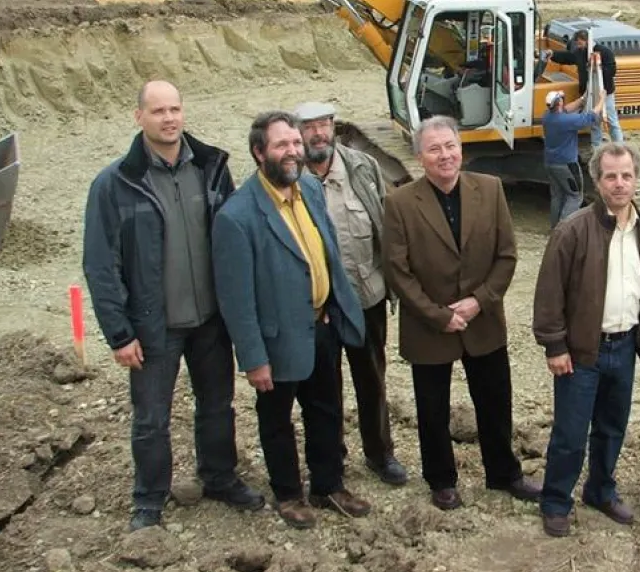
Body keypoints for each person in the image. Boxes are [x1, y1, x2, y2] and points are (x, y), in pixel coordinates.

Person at [82, 80, 262, 532]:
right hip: (152, 327)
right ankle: (149, 499)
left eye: (175, 109)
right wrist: (119, 334)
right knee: (150, 420)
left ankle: (219, 477)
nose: (169, 118)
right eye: (158, 110)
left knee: (218, 406)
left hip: (210, 321)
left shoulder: (210, 167)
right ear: (138, 116)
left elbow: (235, 239)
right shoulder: (115, 183)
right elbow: (101, 264)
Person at [212, 111, 371, 530]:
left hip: (321, 328)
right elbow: (236, 298)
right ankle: (288, 493)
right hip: (276, 341)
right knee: (277, 421)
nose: (293, 152)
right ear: (258, 152)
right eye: (282, 145)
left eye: (296, 144)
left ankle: (328, 485)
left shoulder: (310, 192)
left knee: (326, 411)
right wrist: (253, 358)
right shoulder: (237, 216)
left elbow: (327, 257)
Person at [382, 115, 541, 511]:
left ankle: (504, 473)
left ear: (461, 149)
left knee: (495, 401)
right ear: (420, 156)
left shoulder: (490, 190)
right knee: (432, 408)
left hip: (482, 319)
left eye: (450, 146)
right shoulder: (399, 203)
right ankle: (441, 480)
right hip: (429, 326)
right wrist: (438, 315)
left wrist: (478, 301)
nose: (445, 155)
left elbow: (506, 256)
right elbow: (397, 271)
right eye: (434, 149)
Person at [533, 142, 640, 538]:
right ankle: (556, 501)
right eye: (611, 176)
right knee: (571, 434)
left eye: (626, 176)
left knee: (611, 428)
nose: (619, 184)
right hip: (581, 352)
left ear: (636, 179)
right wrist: (555, 346)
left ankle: (600, 490)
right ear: (596, 180)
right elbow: (549, 293)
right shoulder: (572, 230)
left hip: (625, 347)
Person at [293, 101, 407, 488]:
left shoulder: (363, 167)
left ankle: (380, 454)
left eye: (324, 124)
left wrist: (394, 284)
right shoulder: (288, 178)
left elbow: (385, 224)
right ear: (299, 133)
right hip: (318, 308)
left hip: (367, 297)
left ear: (333, 127)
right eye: (309, 126)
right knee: (323, 387)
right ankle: (332, 458)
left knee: (372, 379)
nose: (318, 132)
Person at [541, 89, 604, 228]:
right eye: (562, 99)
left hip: (550, 163)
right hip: (567, 165)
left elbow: (567, 109)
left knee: (557, 195)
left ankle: (555, 228)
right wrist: (601, 99)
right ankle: (564, 230)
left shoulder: (547, 117)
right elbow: (591, 117)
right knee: (575, 196)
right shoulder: (566, 120)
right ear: (559, 103)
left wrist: (582, 99)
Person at [549, 28, 623, 146]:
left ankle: (620, 146)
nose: (578, 46)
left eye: (580, 43)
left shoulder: (604, 52)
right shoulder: (580, 52)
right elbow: (568, 57)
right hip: (588, 93)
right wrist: (553, 54)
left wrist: (595, 68)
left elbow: (612, 71)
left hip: (604, 92)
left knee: (611, 121)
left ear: (587, 41)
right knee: (594, 123)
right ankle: (596, 149)